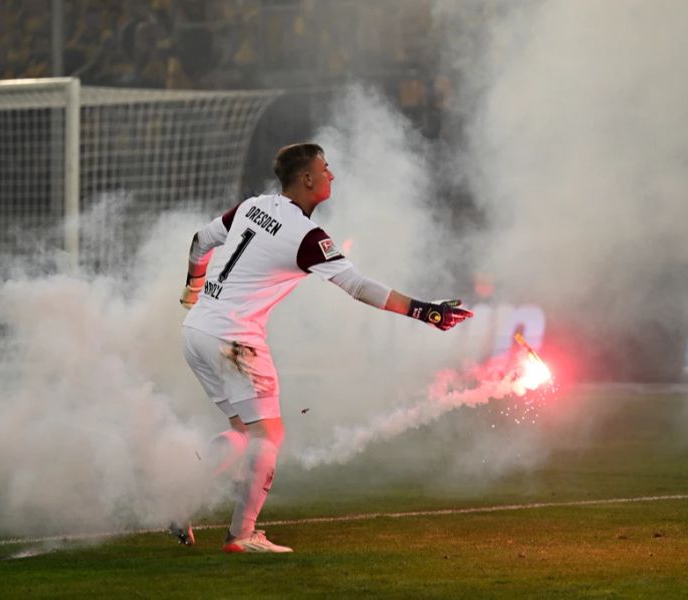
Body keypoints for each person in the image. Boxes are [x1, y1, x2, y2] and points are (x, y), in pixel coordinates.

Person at [174, 143, 473, 553]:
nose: (332, 175)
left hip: (197, 330)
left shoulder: (251, 206)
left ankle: (176, 499)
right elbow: (358, 286)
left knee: (243, 432)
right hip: (233, 338)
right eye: (326, 168)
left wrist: (192, 288)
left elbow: (199, 240)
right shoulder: (306, 236)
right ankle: (241, 536)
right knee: (268, 435)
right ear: (307, 179)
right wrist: (425, 312)